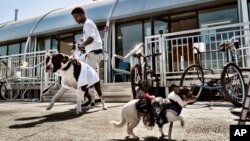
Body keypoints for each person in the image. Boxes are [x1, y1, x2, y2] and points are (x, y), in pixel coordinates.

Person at [71, 7, 103, 107]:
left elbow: (91, 38)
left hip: (94, 53)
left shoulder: (88, 23)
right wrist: (84, 47)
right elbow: (89, 40)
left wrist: (83, 44)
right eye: (74, 17)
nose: (75, 19)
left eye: (76, 16)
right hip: (92, 53)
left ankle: (91, 99)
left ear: (81, 14)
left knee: (88, 76)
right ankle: (92, 99)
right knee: (89, 76)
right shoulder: (87, 24)